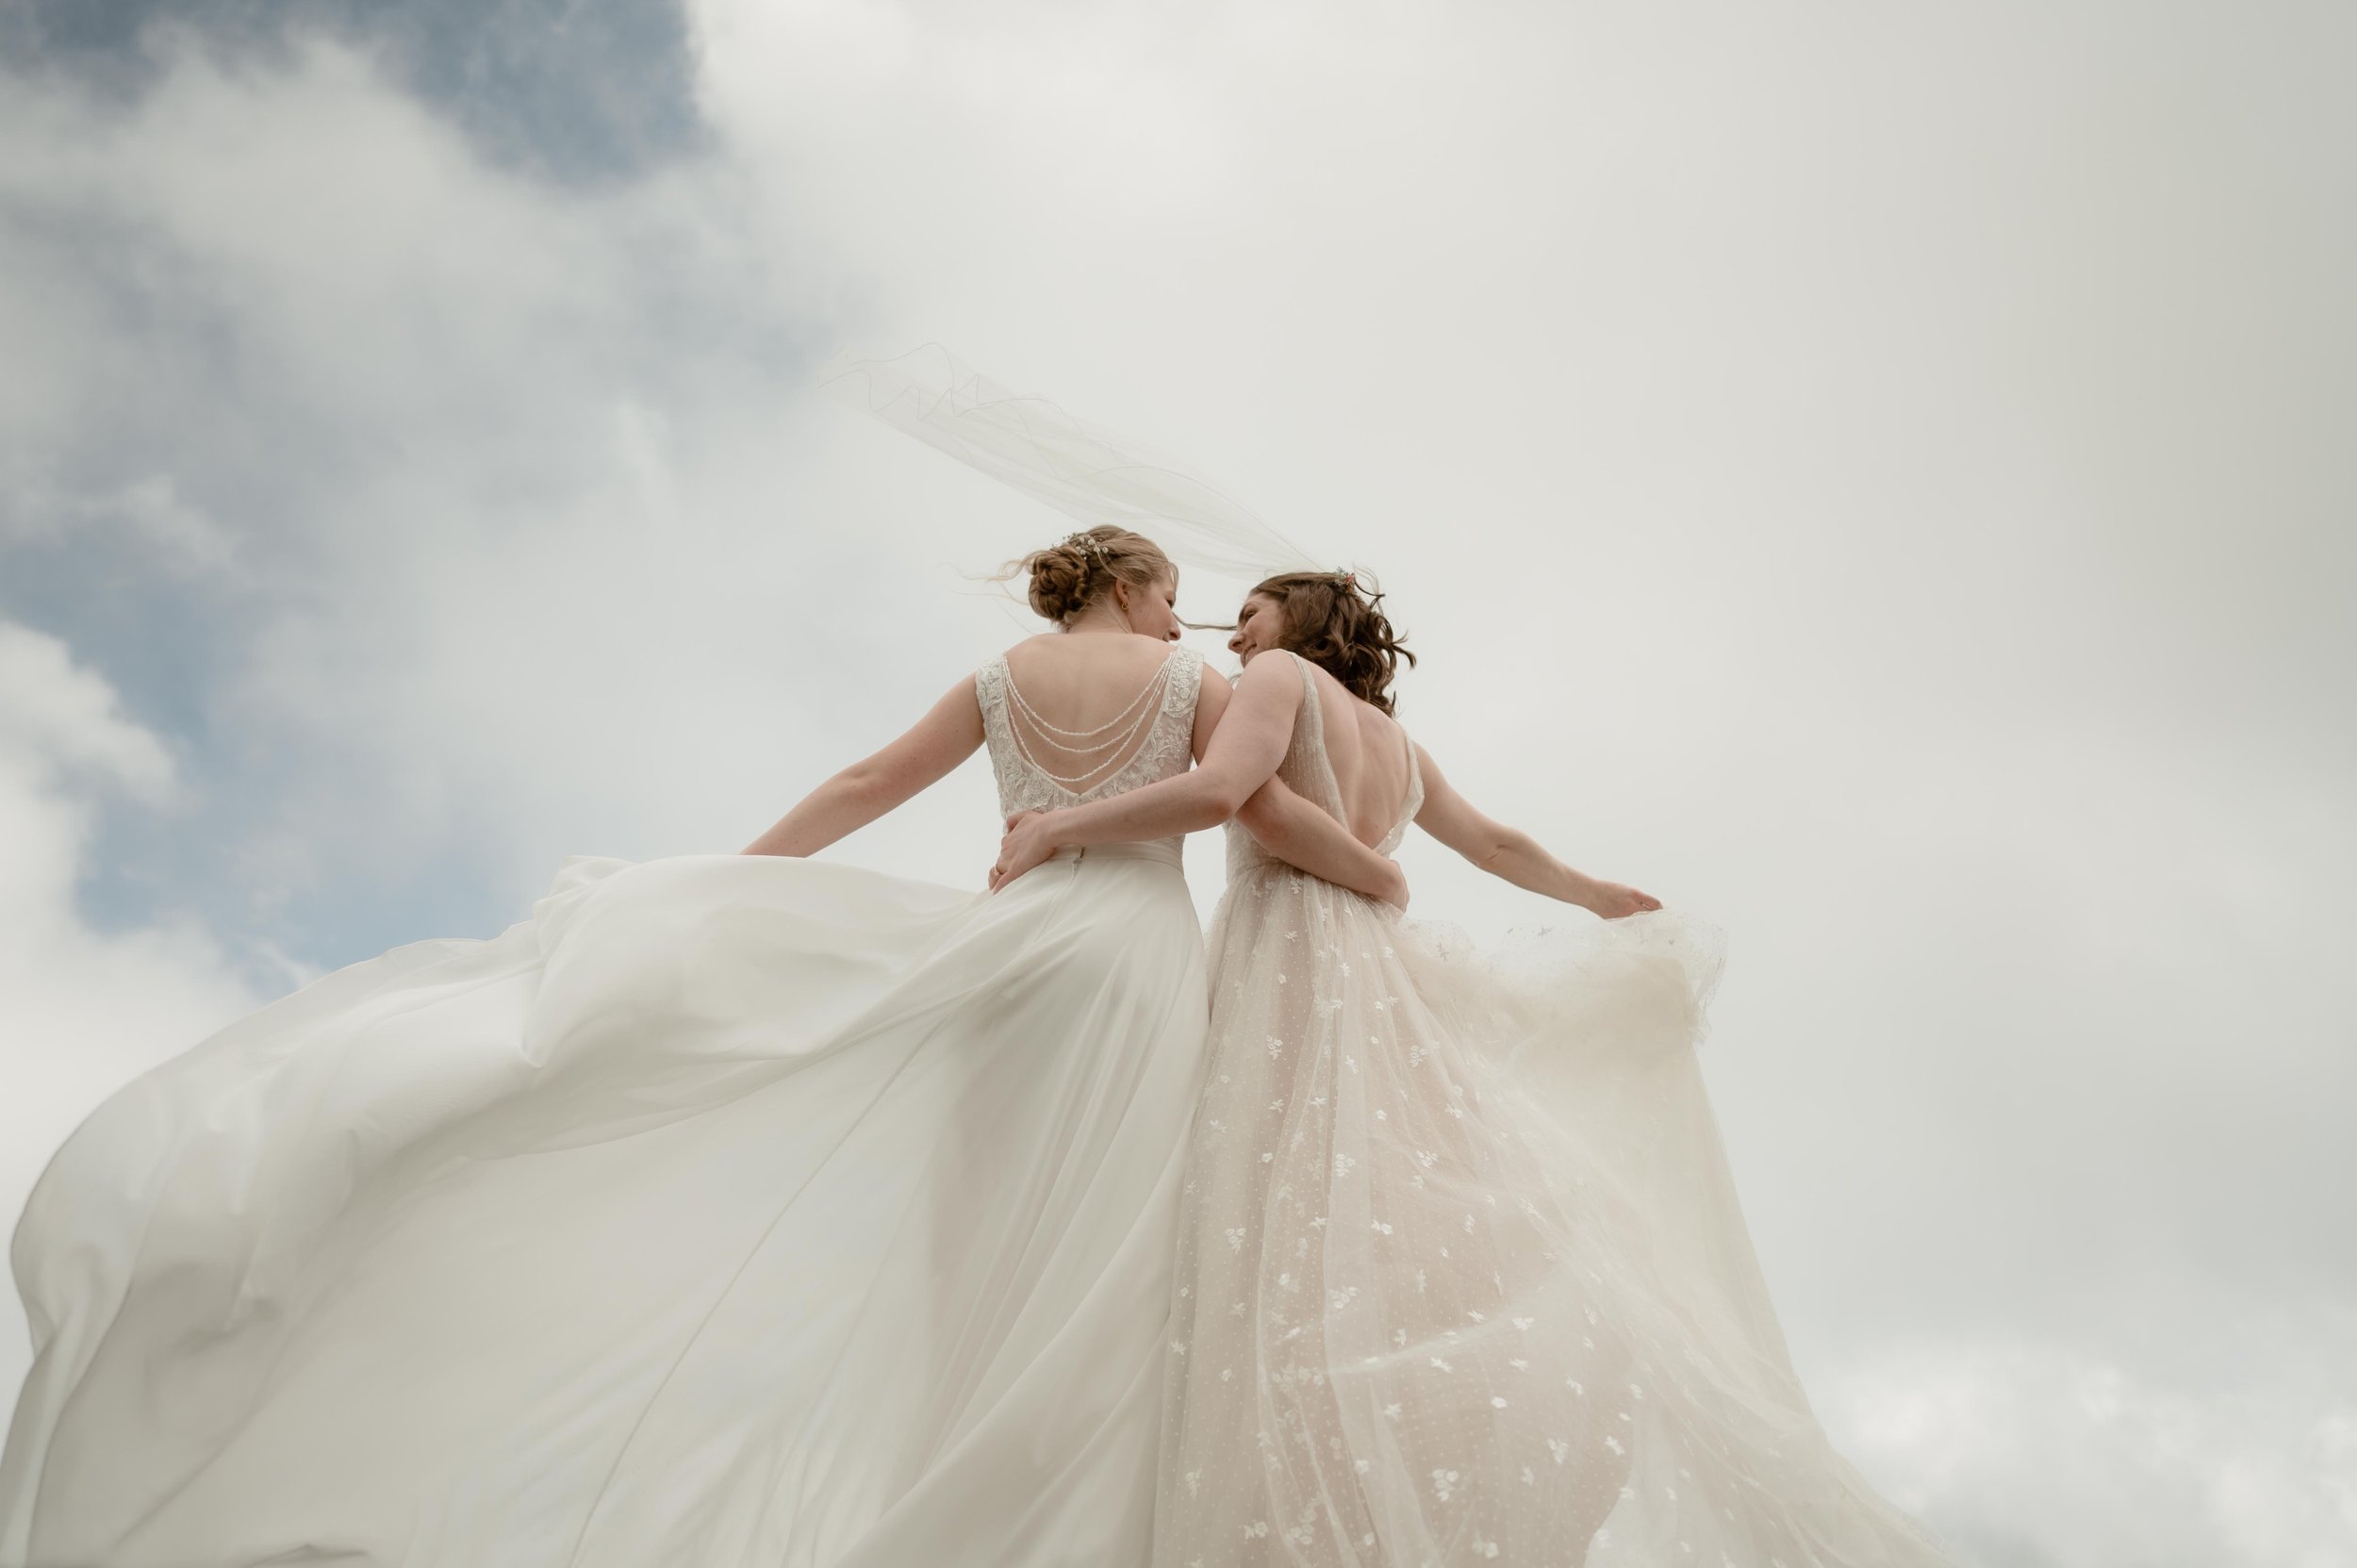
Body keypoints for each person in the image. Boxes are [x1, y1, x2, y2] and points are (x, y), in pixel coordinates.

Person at [0, 527, 1399, 1568]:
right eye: (1171, 591)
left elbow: (866, 781)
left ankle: (967, 1459)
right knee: (1105, 1248)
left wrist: (734, 884)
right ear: (1131, 584)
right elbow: (1252, 808)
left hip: (1005, 958)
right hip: (1129, 958)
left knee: (976, 1245)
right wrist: (1373, 873)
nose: (1187, 615)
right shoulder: (1195, 684)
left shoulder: (999, 674)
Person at [995, 570, 1960, 1567]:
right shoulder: (1399, 744)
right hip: (1380, 971)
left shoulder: (1277, 680)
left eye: (1250, 613)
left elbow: (1236, 799)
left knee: (1265, 1207)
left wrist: (1060, 824)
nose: (1234, 634)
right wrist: (1590, 893)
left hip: (1289, 950)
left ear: (1300, 619)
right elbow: (1492, 843)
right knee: (1369, 1213)